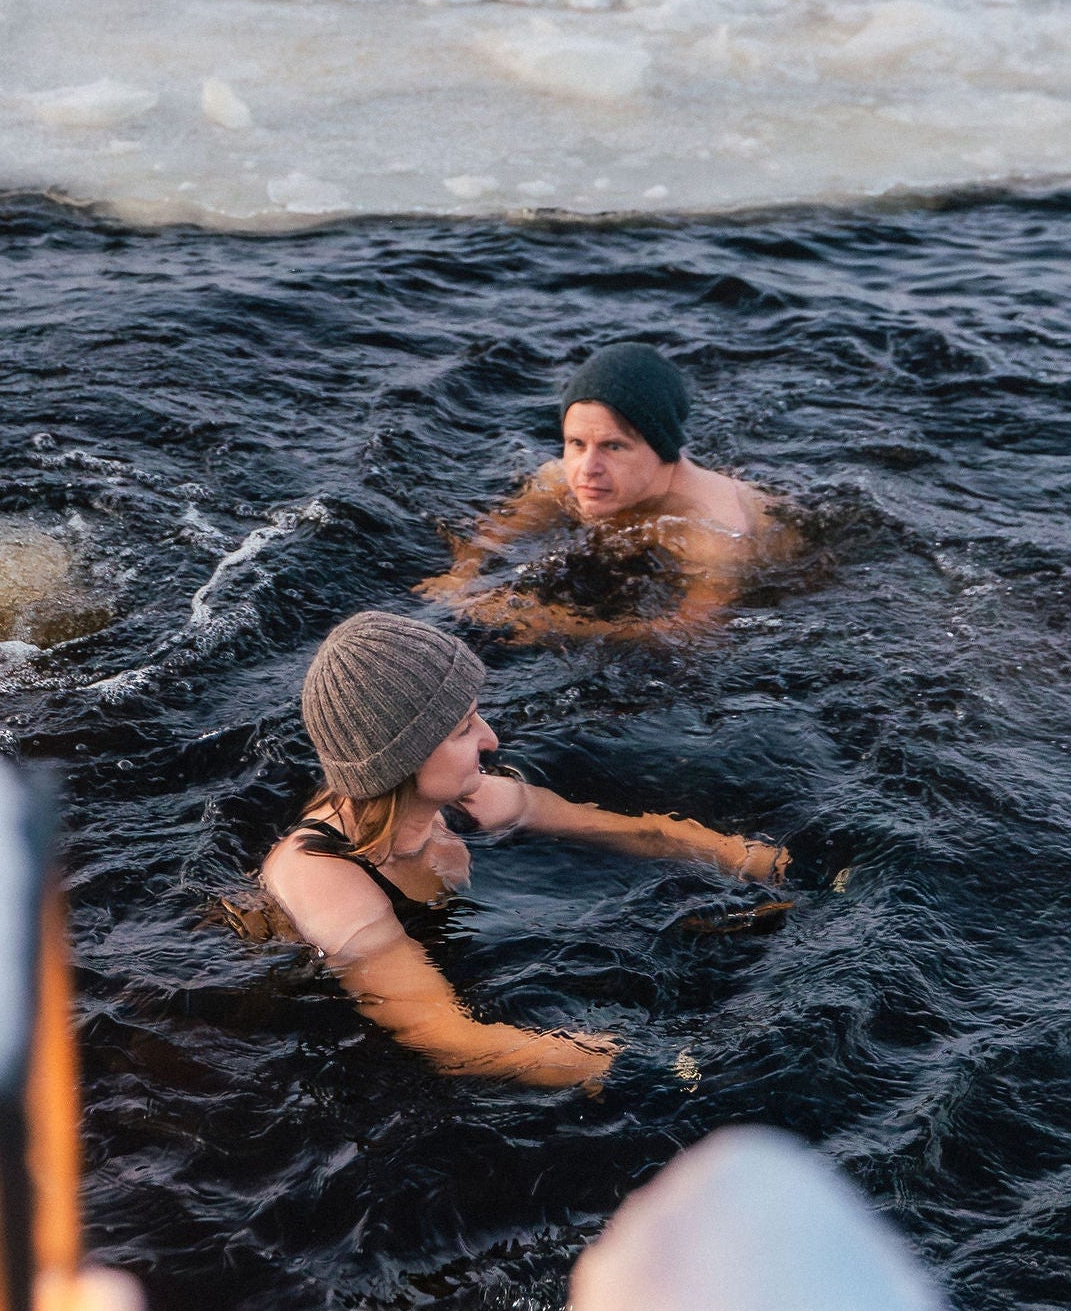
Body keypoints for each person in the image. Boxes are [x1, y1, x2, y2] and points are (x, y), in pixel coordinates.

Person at [257, 610, 787, 1088]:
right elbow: (443, 1037)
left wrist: (754, 859)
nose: (490, 739)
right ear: (405, 760)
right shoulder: (325, 876)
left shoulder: (467, 800)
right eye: (464, 729)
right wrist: (627, 1065)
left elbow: (633, 831)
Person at [418, 342, 788, 640]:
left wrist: (549, 623)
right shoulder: (563, 474)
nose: (587, 469)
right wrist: (461, 574)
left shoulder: (715, 531)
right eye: (576, 443)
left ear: (661, 449)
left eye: (613, 446)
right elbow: (500, 529)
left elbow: (693, 633)